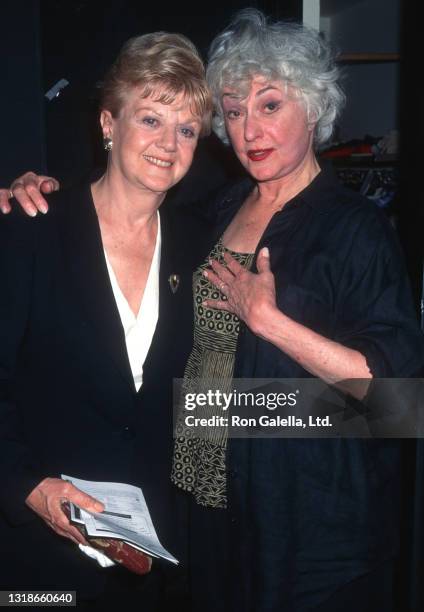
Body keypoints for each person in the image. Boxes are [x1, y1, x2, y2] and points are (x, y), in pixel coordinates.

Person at [2, 9, 424, 612]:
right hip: (201, 529)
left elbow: (400, 405)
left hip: (304, 531)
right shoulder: (215, 212)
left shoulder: (356, 230)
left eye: (271, 105)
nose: (250, 128)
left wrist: (271, 326)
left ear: (313, 106)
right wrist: (32, 192)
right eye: (232, 110)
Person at [0, 30, 211, 610]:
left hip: (149, 561)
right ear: (108, 123)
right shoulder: (32, 228)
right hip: (39, 555)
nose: (169, 143)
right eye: (150, 119)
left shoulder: (200, 245)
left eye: (187, 128)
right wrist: (27, 487)